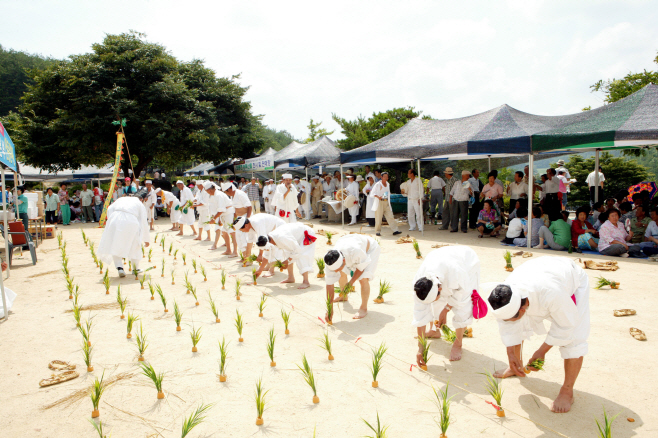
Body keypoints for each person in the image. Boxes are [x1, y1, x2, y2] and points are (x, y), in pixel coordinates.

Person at [486, 256, 590, 413]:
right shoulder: (505, 293)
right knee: (515, 324)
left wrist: (541, 352)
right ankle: (515, 367)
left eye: (512, 317)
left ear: (523, 309)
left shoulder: (552, 293)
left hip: (570, 279)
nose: (508, 321)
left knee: (574, 338)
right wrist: (511, 355)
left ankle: (567, 391)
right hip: (541, 270)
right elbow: (508, 327)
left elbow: (566, 324)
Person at [413, 246, 483, 362]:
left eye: (437, 296)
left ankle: (458, 343)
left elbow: (461, 294)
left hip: (467, 261)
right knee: (434, 303)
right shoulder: (419, 283)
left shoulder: (456, 273)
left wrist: (446, 309)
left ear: (440, 289)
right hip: (442, 257)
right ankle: (434, 330)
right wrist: (420, 347)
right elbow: (420, 313)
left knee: (463, 307)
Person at [324, 234, 381, 321]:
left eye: (337, 269)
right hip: (350, 243)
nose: (335, 271)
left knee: (363, 278)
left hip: (370, 249)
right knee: (341, 272)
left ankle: (363, 308)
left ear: (343, 261)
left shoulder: (356, 251)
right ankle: (344, 296)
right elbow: (329, 284)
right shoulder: (329, 260)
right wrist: (330, 308)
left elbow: (360, 268)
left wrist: (351, 282)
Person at [98, 189, 150, 278]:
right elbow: (143, 223)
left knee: (116, 243)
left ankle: (119, 267)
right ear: (142, 199)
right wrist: (146, 239)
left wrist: (111, 221)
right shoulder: (139, 204)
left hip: (114, 219)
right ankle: (135, 268)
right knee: (135, 244)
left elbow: (110, 208)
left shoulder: (121, 199)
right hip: (130, 220)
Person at [266, 222, 316, 289]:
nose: (272, 244)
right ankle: (291, 277)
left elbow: (298, 251)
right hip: (297, 236)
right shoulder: (272, 236)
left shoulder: (282, 237)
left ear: (270, 240)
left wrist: (287, 260)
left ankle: (306, 281)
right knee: (287, 252)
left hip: (306, 234)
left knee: (302, 256)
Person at [370, 172, 401, 237]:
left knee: (390, 216)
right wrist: (378, 196)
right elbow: (372, 193)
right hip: (380, 202)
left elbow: (388, 193)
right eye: (385, 176)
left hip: (386, 201)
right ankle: (377, 231)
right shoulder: (378, 184)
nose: (386, 178)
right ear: (381, 177)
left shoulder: (388, 184)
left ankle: (395, 230)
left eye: (387, 176)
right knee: (378, 217)